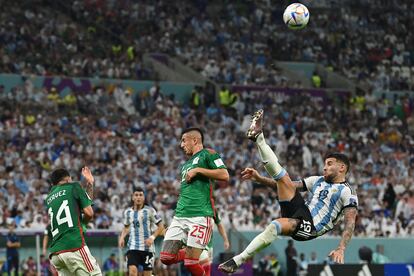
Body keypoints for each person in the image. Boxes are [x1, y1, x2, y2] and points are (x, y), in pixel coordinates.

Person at [219, 109, 358, 273]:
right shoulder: (317, 180)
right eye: (325, 163)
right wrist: (260, 179)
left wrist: (341, 248)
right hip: (301, 209)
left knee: (274, 226)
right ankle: (258, 137)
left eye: (329, 164)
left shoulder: (347, 191)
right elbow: (285, 185)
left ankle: (237, 261)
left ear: (342, 168)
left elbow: (350, 222)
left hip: (312, 226)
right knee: (283, 177)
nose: (324, 167)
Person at [160, 127, 229, 276]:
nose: (181, 144)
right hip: (180, 216)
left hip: (199, 216)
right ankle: (194, 251)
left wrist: (199, 170)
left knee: (191, 263)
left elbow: (224, 174)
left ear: (195, 140)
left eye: (184, 140)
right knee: (166, 257)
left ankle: (195, 253)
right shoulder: (185, 165)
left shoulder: (208, 154)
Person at [45, 167, 102, 275]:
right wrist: (83, 223)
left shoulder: (49, 198)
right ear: (68, 179)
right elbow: (89, 212)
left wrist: (89, 183)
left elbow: (82, 204)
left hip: (56, 253)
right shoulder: (73, 187)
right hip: (73, 246)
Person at [118, 187, 165, 276]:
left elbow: (161, 226)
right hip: (133, 247)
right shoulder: (128, 212)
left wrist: (152, 237)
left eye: (140, 195)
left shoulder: (150, 211)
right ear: (132, 197)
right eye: (136, 195)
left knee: (147, 274)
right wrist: (122, 237)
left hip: (148, 248)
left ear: (143, 198)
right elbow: (126, 227)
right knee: (132, 272)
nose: (138, 197)